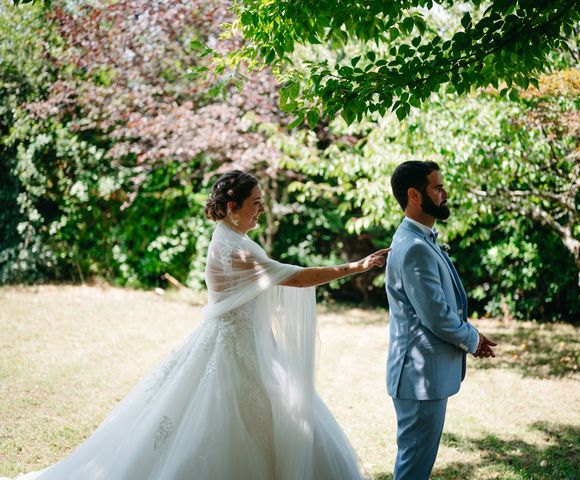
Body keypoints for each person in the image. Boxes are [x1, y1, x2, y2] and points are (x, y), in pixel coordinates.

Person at [10, 170, 389, 480]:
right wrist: (358, 266)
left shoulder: (228, 237)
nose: (261, 209)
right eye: (255, 202)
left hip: (245, 344)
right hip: (236, 351)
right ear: (231, 206)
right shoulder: (238, 247)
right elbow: (298, 277)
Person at [385, 161, 496, 480]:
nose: (445, 193)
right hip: (418, 378)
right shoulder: (414, 248)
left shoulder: (419, 238)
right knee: (414, 466)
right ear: (414, 195)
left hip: (423, 376)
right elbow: (436, 316)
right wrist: (473, 339)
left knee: (416, 461)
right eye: (437, 187)